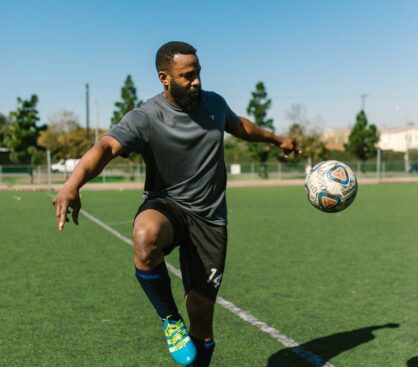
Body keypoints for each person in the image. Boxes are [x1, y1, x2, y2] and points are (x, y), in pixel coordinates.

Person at [52, 41, 299, 367]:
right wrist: (72, 183)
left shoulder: (213, 104)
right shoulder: (146, 116)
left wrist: (277, 138)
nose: (196, 81)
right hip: (166, 205)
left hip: (210, 220)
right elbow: (107, 147)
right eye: (187, 76)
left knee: (202, 319)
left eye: (198, 73)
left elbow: (239, 125)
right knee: (145, 235)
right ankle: (170, 319)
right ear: (164, 78)